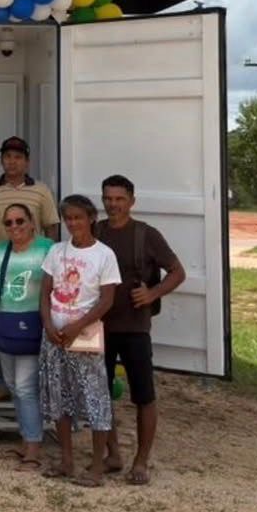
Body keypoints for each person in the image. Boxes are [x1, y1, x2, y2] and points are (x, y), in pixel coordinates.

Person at [97, 174, 186, 485]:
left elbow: (177, 272)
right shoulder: (95, 233)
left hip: (135, 328)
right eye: (108, 198)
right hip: (99, 327)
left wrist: (152, 294)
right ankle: (113, 454)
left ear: (132, 201)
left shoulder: (147, 235)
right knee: (100, 393)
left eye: (120, 199)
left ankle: (141, 461)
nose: (113, 204)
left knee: (143, 395)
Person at [39, 194, 122, 487]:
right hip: (55, 335)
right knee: (59, 395)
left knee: (95, 397)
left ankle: (97, 467)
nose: (73, 223)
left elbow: (107, 299)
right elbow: (46, 291)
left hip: (85, 334)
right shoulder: (57, 251)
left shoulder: (104, 255)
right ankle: (67, 460)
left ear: (91, 219)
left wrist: (79, 325)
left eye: (78, 217)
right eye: (68, 218)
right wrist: (48, 324)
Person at [0, 136, 60, 402]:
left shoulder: (42, 191)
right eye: (8, 157)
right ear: (1, 159)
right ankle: (0, 381)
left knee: (29, 322)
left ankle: (31, 383)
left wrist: (52, 264)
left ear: (27, 161)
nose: (12, 162)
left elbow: (51, 227)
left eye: (18, 157)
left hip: (31, 268)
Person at [0, 203, 52, 469]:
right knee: (13, 384)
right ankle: (27, 438)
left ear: (32, 222)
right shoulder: (0, 249)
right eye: (9, 223)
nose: (15, 227)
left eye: (20, 221)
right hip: (5, 320)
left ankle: (34, 448)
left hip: (33, 322)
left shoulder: (47, 248)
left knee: (26, 387)